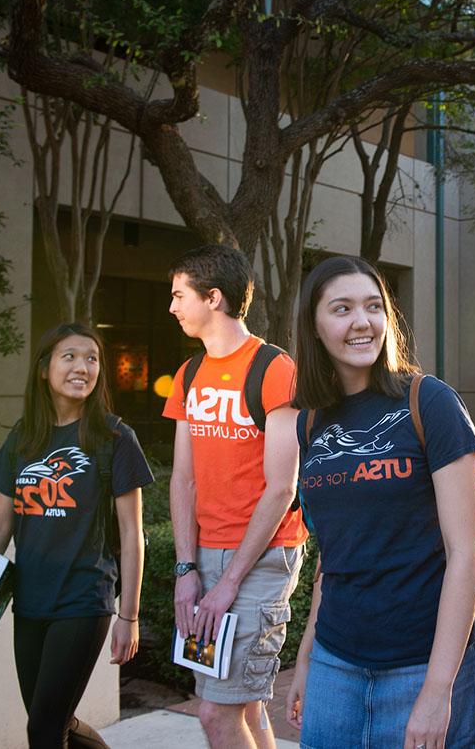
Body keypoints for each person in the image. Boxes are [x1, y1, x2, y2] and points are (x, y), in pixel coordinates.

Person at [285, 255, 475, 749]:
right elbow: (332, 557)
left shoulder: (430, 402)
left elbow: (466, 552)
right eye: (341, 309)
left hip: (427, 662)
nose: (362, 322)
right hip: (336, 667)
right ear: (314, 327)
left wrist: (438, 691)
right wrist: (308, 659)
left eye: (373, 306)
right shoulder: (310, 423)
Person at [163, 244, 306, 749]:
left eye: (181, 295)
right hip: (205, 557)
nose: (173, 307)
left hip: (262, 558)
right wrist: (187, 570)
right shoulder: (188, 375)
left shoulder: (275, 369)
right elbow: (184, 480)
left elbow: (281, 487)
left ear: (214, 298)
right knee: (242, 705)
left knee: (214, 715)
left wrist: (228, 584)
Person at [0, 323, 153, 749]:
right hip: (29, 601)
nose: (83, 367)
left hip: (83, 599)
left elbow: (131, 534)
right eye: (70, 357)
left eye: (92, 358)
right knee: (52, 722)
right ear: (44, 368)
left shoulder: (114, 438)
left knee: (43, 730)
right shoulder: (25, 436)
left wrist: (129, 615)